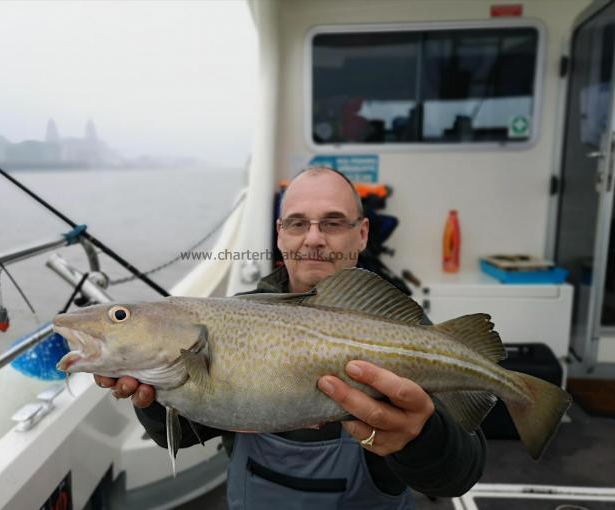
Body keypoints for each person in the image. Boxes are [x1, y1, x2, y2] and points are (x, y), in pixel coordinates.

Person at [95, 166, 486, 509]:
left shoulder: (401, 328)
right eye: (298, 223)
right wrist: (154, 392)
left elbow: (459, 475)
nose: (313, 238)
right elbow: (181, 433)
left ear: (362, 233)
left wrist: (422, 437)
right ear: (280, 235)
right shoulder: (233, 320)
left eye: (332, 223)